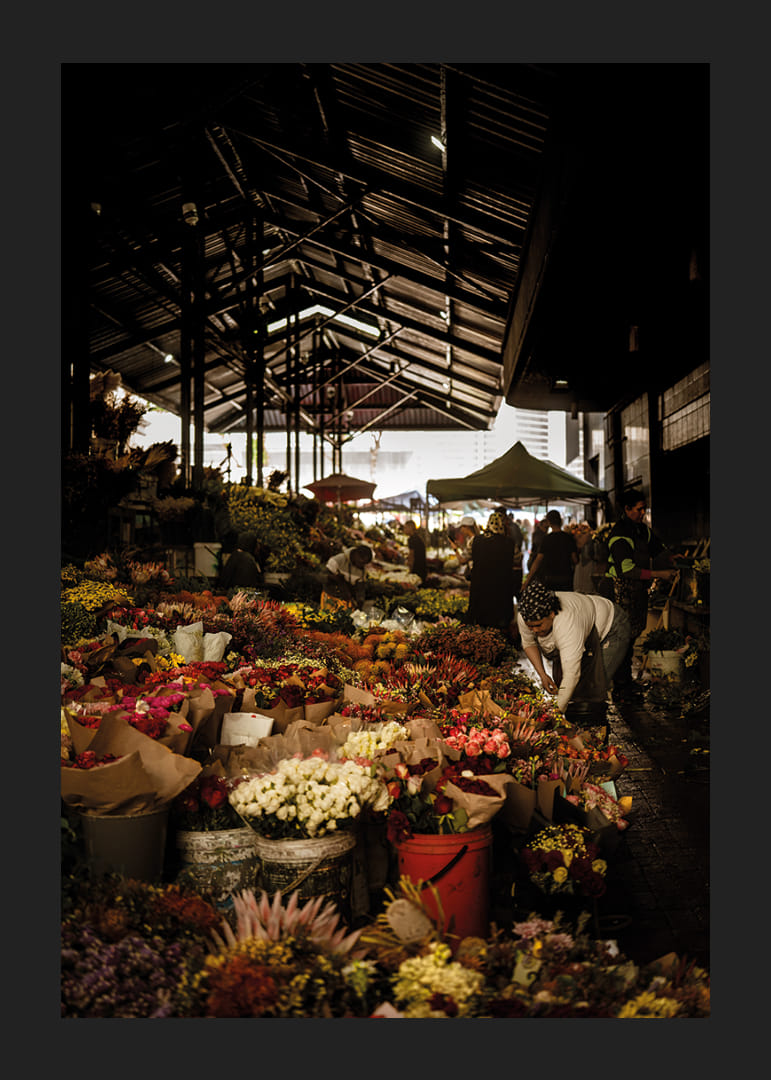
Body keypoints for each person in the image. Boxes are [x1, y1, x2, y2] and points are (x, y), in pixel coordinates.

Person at [516, 580, 633, 714]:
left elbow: (572, 673)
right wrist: (542, 675)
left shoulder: (567, 623)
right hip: (585, 621)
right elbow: (529, 644)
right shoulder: (525, 614)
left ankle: (596, 721)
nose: (535, 630)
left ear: (551, 614)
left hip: (611, 627)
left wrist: (556, 714)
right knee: (564, 685)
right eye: (530, 627)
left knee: (592, 687)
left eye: (539, 625)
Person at [605, 488, 677, 700]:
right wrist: (659, 574)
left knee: (633, 634)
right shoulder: (619, 535)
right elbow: (627, 570)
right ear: (627, 509)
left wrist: (672, 558)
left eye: (644, 508)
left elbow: (657, 549)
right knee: (623, 636)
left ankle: (626, 682)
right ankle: (621, 685)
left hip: (638, 589)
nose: (643, 513)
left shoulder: (641, 530)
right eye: (639, 509)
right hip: (621, 590)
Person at [466, 508, 518, 640]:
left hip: (480, 590)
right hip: (501, 592)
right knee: (498, 629)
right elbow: (516, 561)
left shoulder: (476, 540)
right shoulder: (510, 543)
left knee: (480, 627)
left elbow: (467, 558)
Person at [523, 509, 578, 592]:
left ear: (549, 523)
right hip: (566, 578)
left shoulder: (546, 539)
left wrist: (527, 581)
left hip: (550, 579)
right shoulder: (568, 538)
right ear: (560, 521)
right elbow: (575, 559)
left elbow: (538, 561)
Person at [323, 544, 373, 609]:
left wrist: (360, 601)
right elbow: (322, 576)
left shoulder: (362, 570)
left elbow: (360, 589)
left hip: (345, 601)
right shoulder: (339, 560)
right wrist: (333, 578)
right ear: (355, 554)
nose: (362, 565)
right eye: (361, 562)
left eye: (364, 563)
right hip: (330, 596)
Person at [573, 521, 599, 594]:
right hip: (582, 561)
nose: (581, 528)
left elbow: (580, 543)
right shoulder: (583, 534)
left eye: (584, 526)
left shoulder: (590, 534)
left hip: (588, 562)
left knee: (586, 584)